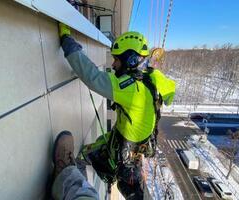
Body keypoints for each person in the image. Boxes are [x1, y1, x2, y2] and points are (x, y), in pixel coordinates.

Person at [55, 23, 176, 199]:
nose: (113, 64)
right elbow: (169, 94)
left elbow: (92, 77)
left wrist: (67, 40)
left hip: (122, 152)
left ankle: (68, 186)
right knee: (131, 188)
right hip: (135, 148)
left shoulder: (130, 87)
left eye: (116, 59)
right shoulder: (153, 77)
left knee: (83, 158)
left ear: (130, 61)